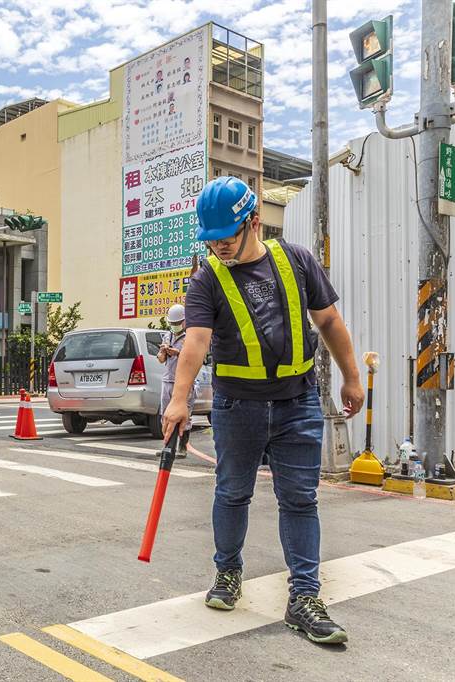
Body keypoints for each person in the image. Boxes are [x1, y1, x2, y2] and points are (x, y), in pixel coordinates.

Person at [161, 176, 364, 645]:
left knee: (300, 499)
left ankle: (305, 597)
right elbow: (196, 340)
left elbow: (328, 319)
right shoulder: (207, 278)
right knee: (232, 492)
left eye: (226, 240)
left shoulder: (296, 261)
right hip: (238, 406)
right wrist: (179, 400)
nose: (218, 250)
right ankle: (227, 572)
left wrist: (352, 377)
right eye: (210, 242)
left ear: (253, 223)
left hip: (298, 403)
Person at [156, 304, 195, 457]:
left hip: (184, 381)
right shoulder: (168, 335)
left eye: (177, 323)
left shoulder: (190, 336)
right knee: (165, 414)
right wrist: (164, 351)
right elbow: (160, 359)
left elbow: (191, 356)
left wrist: (178, 352)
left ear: (185, 321)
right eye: (172, 323)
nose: (174, 326)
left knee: (185, 415)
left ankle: (183, 447)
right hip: (167, 379)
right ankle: (167, 447)